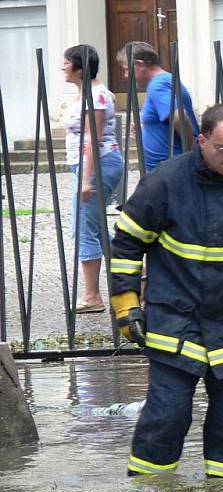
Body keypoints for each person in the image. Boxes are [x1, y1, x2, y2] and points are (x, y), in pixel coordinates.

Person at [109, 103, 223, 477]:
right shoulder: (164, 183)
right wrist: (127, 308)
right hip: (176, 322)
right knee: (167, 417)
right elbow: (126, 246)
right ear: (200, 140)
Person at [61, 44, 124, 313]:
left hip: (97, 166)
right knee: (96, 229)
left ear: (80, 69)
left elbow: (92, 140)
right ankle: (136, 279)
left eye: (66, 63)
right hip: (88, 166)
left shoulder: (96, 96)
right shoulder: (90, 94)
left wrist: (86, 180)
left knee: (85, 229)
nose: (63, 68)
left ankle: (91, 296)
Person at [116, 41, 199, 171]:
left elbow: (179, 117)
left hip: (169, 171)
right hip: (168, 170)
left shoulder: (157, 85)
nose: (126, 76)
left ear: (140, 64)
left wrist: (191, 150)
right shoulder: (166, 80)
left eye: (127, 69)